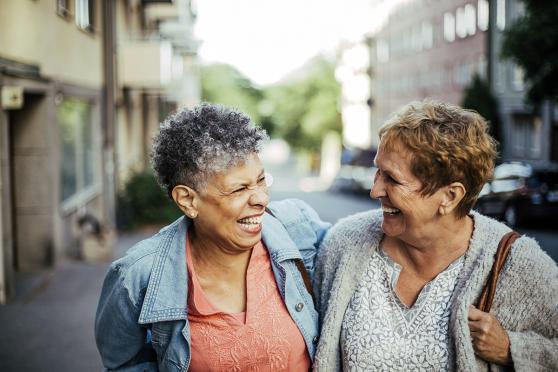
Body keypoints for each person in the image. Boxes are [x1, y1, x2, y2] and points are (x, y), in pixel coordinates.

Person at [313, 100, 558, 371]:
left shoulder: (515, 261)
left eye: (392, 180)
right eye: (377, 172)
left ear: (449, 196)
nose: (375, 191)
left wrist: (512, 348)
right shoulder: (345, 244)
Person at [95, 103, 330, 371]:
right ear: (188, 200)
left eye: (261, 180)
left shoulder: (297, 225)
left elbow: (361, 248)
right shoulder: (136, 276)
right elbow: (124, 365)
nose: (261, 199)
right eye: (239, 189)